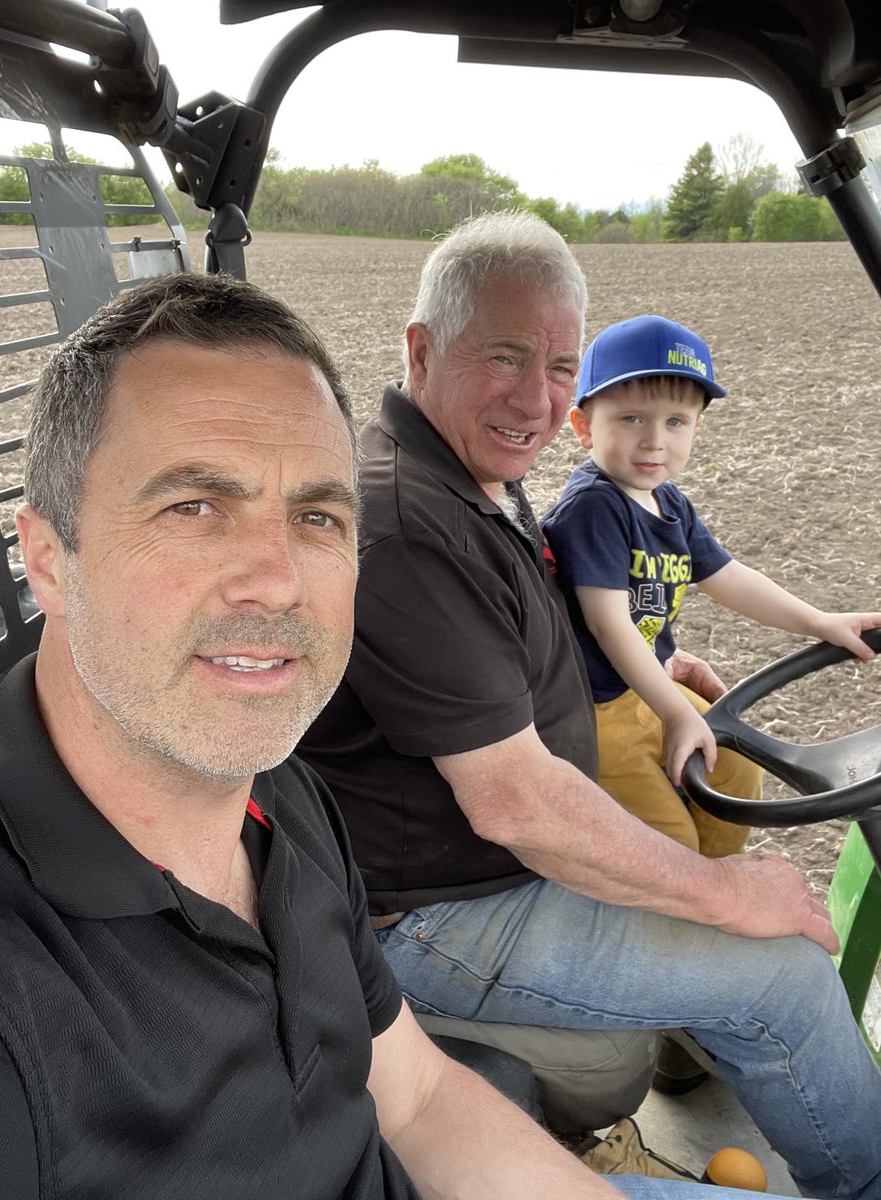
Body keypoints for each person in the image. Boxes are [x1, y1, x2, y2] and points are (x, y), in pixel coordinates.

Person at [0, 271, 736, 1200]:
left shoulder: (283, 797)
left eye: (316, 517)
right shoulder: (6, 994)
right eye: (194, 508)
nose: (279, 580)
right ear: (48, 559)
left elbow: (414, 1098)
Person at [297, 210, 881, 1200]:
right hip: (440, 913)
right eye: (505, 357)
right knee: (780, 969)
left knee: (740, 906)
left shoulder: (473, 473)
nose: (536, 397)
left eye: (561, 366)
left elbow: (523, 637)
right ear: (422, 352)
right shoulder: (409, 525)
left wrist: (671, 659)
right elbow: (514, 802)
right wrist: (722, 893)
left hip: (491, 868)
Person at [540, 313, 881, 856]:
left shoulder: (669, 503)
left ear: (696, 429)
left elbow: (728, 578)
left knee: (737, 769)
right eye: (632, 418)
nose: (654, 441)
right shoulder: (593, 509)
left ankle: (717, 879)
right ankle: (682, 891)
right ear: (584, 427)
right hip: (593, 708)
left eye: (675, 421)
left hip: (646, 687)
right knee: (665, 843)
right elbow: (609, 626)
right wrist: (677, 714)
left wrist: (820, 622)